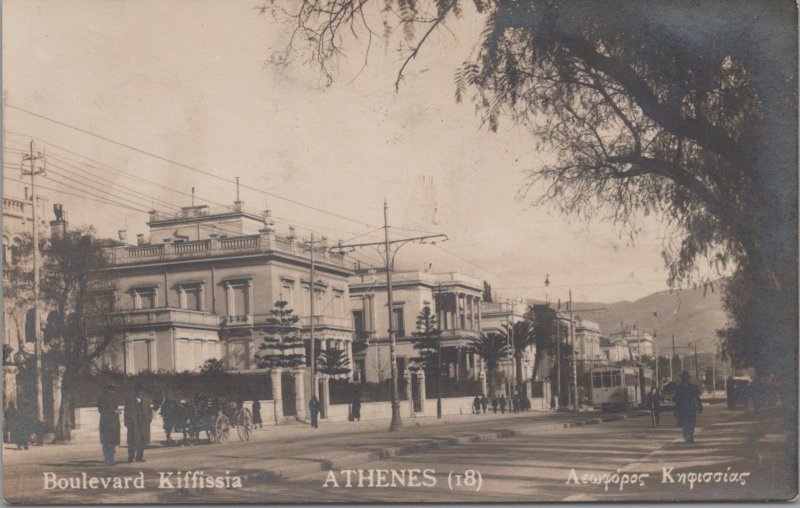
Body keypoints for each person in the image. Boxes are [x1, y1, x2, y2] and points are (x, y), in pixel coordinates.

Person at [124, 384, 153, 462]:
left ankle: (139, 457)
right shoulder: (129, 400)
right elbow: (126, 412)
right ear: (135, 392)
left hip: (144, 423)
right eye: (138, 391)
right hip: (134, 423)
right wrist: (127, 422)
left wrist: (149, 419)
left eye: (141, 392)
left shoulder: (146, 399)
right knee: (132, 441)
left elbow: (150, 411)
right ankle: (130, 457)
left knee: (142, 441)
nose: (140, 393)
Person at [674, 372, 703, 443]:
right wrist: (675, 409)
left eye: (685, 378)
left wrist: (700, 406)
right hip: (685, 409)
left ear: (687, 379)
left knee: (690, 423)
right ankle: (688, 437)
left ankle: (689, 436)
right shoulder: (679, 388)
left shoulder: (692, 387)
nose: (684, 379)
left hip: (689, 409)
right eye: (683, 378)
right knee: (685, 424)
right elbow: (677, 400)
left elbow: (697, 398)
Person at [98, 384, 120, 465]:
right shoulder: (102, 398)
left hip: (113, 423)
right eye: (111, 390)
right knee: (107, 442)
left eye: (113, 390)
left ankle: (110, 459)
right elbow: (102, 410)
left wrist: (116, 411)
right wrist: (114, 411)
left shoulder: (113, 398)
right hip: (106, 423)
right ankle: (108, 460)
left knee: (112, 442)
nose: (112, 391)